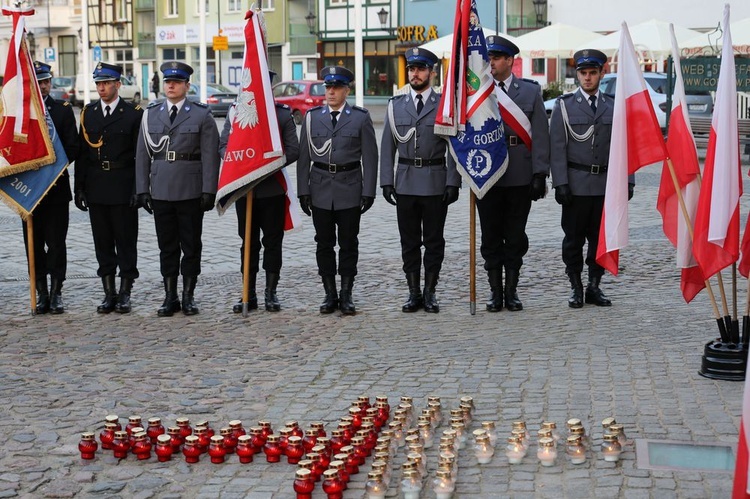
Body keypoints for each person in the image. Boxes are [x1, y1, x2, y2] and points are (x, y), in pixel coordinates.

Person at [135, 61, 220, 317]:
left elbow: (210, 155)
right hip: (161, 188)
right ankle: (170, 296)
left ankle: (188, 296)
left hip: (191, 189)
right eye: (167, 82)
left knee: (191, 245)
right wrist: (142, 189)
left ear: (186, 85)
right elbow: (142, 154)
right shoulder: (151, 113)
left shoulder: (201, 114)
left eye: (176, 82)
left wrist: (209, 190)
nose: (170, 86)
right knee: (167, 246)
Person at [549, 49, 633, 308]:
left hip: (605, 185)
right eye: (583, 73)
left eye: (592, 73)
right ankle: (575, 286)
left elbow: (625, 146)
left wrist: (628, 180)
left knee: (600, 240)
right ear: (577, 75)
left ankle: (594, 285)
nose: (587, 78)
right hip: (576, 183)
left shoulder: (614, 105)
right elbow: (557, 148)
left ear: (601, 74)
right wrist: (560, 182)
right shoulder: (564, 105)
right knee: (573, 240)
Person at [379, 47, 460, 314]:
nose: (415, 74)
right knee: (409, 240)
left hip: (436, 181)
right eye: (412, 69)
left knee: (435, 241)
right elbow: (387, 146)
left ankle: (430, 291)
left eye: (421, 69)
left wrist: (453, 181)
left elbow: (453, 146)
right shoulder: (395, 105)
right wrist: (386, 181)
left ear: (432, 72)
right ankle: (413, 292)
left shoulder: (444, 105)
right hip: (405, 181)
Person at [297, 65, 378, 315]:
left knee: (348, 243)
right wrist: (303, 191)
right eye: (328, 87)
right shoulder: (312, 117)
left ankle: (346, 293)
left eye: (336, 87)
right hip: (320, 187)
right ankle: (329, 293)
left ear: (347, 90)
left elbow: (370, 157)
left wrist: (369, 191)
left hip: (349, 187)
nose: (330, 92)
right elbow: (303, 158)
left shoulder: (360, 118)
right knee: (323, 244)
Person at [478, 35, 550, 313]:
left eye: (496, 58)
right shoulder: (478, 91)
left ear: (510, 61)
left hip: (520, 173)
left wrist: (539, 173)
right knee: (490, 237)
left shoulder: (530, 92)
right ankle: (495, 292)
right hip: (487, 173)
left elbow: (541, 135)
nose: (491, 63)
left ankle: (512, 291)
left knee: (515, 236)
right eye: (489, 58)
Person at [219, 71, 300, 313]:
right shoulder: (236, 112)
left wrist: (264, 165)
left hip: (272, 189)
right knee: (248, 243)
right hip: (245, 190)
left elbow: (294, 150)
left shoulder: (282, 115)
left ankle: (270, 293)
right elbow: (224, 145)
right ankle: (249, 293)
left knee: (273, 243)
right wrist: (242, 164)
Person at [74, 62, 144, 314]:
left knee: (125, 240)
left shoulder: (134, 113)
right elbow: (82, 154)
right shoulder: (88, 113)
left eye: (105, 83)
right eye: (98, 84)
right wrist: (79, 188)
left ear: (117, 84)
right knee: (102, 242)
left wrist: (140, 188)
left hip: (123, 183)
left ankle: (125, 292)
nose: (101, 88)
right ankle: (109, 292)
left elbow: (140, 155)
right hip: (96, 185)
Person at [25, 61, 78, 314]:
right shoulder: (21, 113)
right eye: (39, 81)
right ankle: (41, 292)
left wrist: (50, 164)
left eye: (46, 81)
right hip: (29, 191)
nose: (44, 86)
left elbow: (73, 147)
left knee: (56, 243)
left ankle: (57, 292)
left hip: (56, 188)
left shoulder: (63, 111)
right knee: (33, 244)